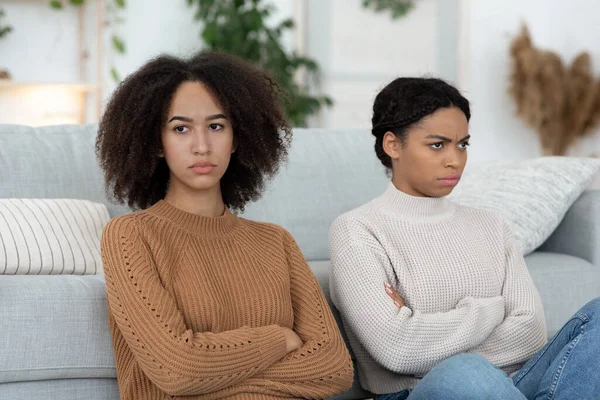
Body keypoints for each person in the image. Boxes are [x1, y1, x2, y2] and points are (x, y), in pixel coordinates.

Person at [96, 50, 353, 400]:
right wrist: (278, 339)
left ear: (238, 138)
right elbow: (176, 369)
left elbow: (333, 368)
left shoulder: (275, 242)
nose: (202, 146)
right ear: (156, 143)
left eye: (216, 126)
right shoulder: (129, 236)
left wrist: (216, 373)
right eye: (181, 128)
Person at [329, 77, 600, 400]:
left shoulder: (491, 226)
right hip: (418, 393)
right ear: (393, 145)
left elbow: (530, 334)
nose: (455, 159)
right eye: (437, 144)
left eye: (462, 144)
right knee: (466, 373)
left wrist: (426, 331)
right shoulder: (357, 230)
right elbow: (397, 349)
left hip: (516, 384)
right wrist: (490, 310)